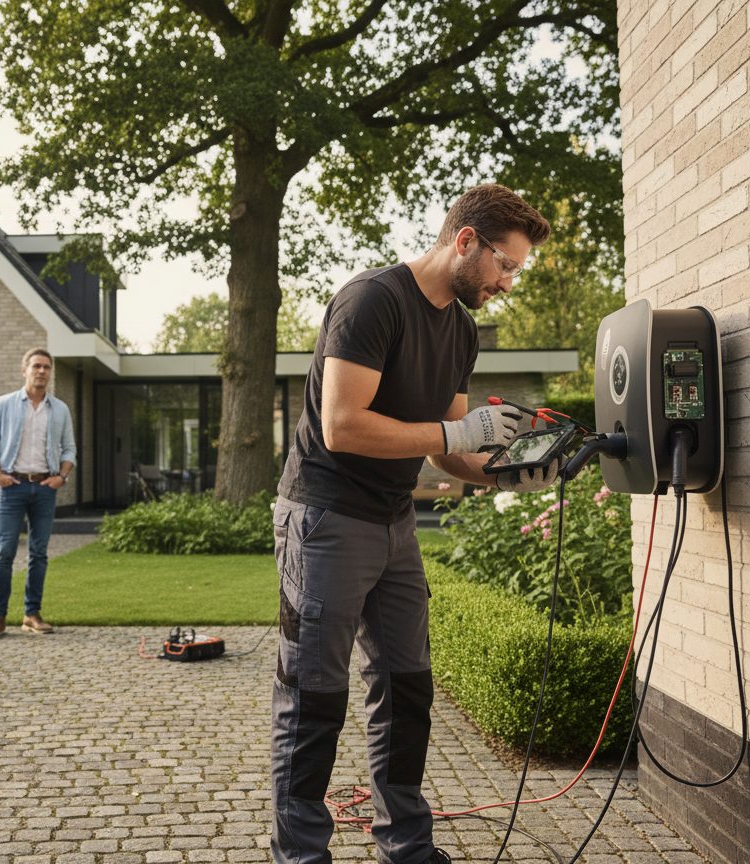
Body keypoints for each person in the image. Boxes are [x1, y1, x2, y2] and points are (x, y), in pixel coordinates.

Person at [270, 184, 556, 864]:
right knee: (313, 694)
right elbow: (342, 426)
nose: (508, 283)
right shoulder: (372, 301)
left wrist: (510, 474)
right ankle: (301, 855)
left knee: (407, 688)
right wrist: (457, 431)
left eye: (516, 271)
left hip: (395, 522)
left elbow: (447, 450)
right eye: (506, 265)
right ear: (466, 242)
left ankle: (407, 846)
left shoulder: (460, 329)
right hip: (326, 516)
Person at [0, 348, 76, 639]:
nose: (42, 371)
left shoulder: (60, 409)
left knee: (39, 553)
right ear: (25, 370)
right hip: (13, 487)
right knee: (5, 552)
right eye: (36, 366)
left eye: (46, 367)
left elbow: (69, 448)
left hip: (45, 488)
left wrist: (62, 477)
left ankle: (32, 615)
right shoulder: (5, 404)